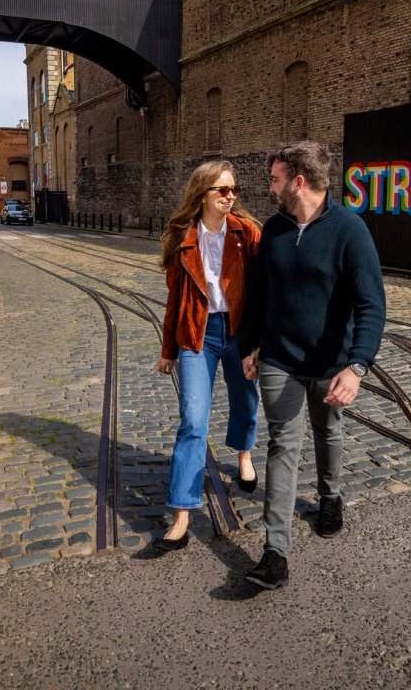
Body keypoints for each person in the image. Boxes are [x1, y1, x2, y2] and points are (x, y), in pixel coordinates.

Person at [239, 141, 386, 589]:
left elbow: (371, 305)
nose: (270, 187)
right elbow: (258, 295)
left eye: (275, 179)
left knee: (328, 430)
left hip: (330, 363)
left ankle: (329, 496)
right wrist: (251, 345)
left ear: (298, 181)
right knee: (283, 445)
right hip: (279, 359)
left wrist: (357, 366)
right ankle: (275, 552)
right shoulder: (275, 230)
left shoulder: (350, 230)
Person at [151, 160, 263, 553]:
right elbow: (174, 300)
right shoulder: (182, 237)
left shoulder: (246, 233)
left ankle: (245, 454)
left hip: (239, 333)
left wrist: (260, 340)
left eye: (233, 189)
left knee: (246, 400)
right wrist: (168, 350)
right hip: (197, 336)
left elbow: (263, 291)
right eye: (222, 190)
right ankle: (182, 515)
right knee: (193, 420)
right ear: (203, 194)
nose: (230, 196)